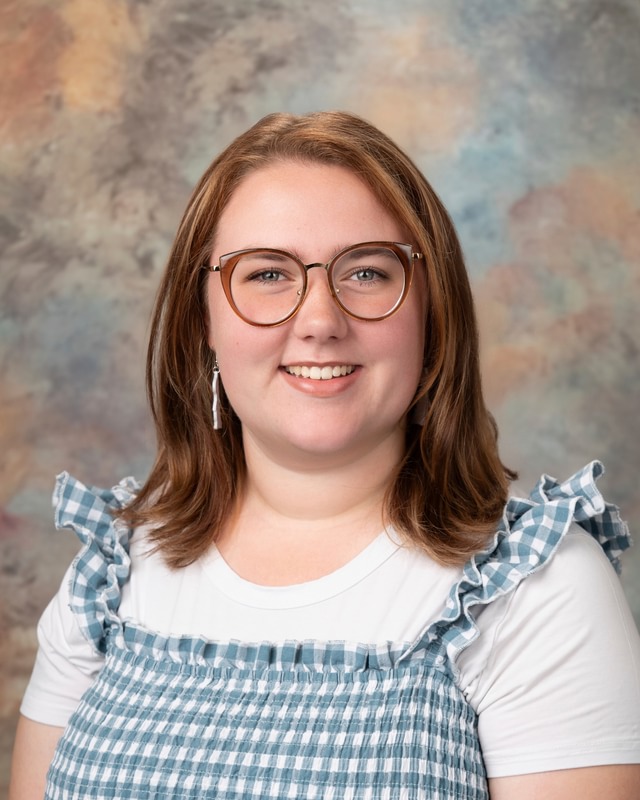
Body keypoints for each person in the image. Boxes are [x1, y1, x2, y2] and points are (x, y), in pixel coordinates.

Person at [9, 111, 640, 800]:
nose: (319, 321)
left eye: (367, 272)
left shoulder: (536, 589)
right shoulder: (109, 576)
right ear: (204, 321)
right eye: (267, 274)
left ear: (432, 314)